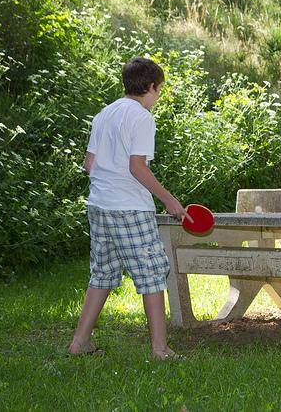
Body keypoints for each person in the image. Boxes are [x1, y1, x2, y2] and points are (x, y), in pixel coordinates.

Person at [67, 57, 192, 360]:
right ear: (150, 86)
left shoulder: (103, 114)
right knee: (151, 273)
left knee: (102, 274)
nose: (158, 96)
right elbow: (137, 168)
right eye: (159, 90)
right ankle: (160, 349)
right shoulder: (142, 117)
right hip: (129, 209)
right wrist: (169, 200)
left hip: (99, 206)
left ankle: (79, 343)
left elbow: (89, 163)